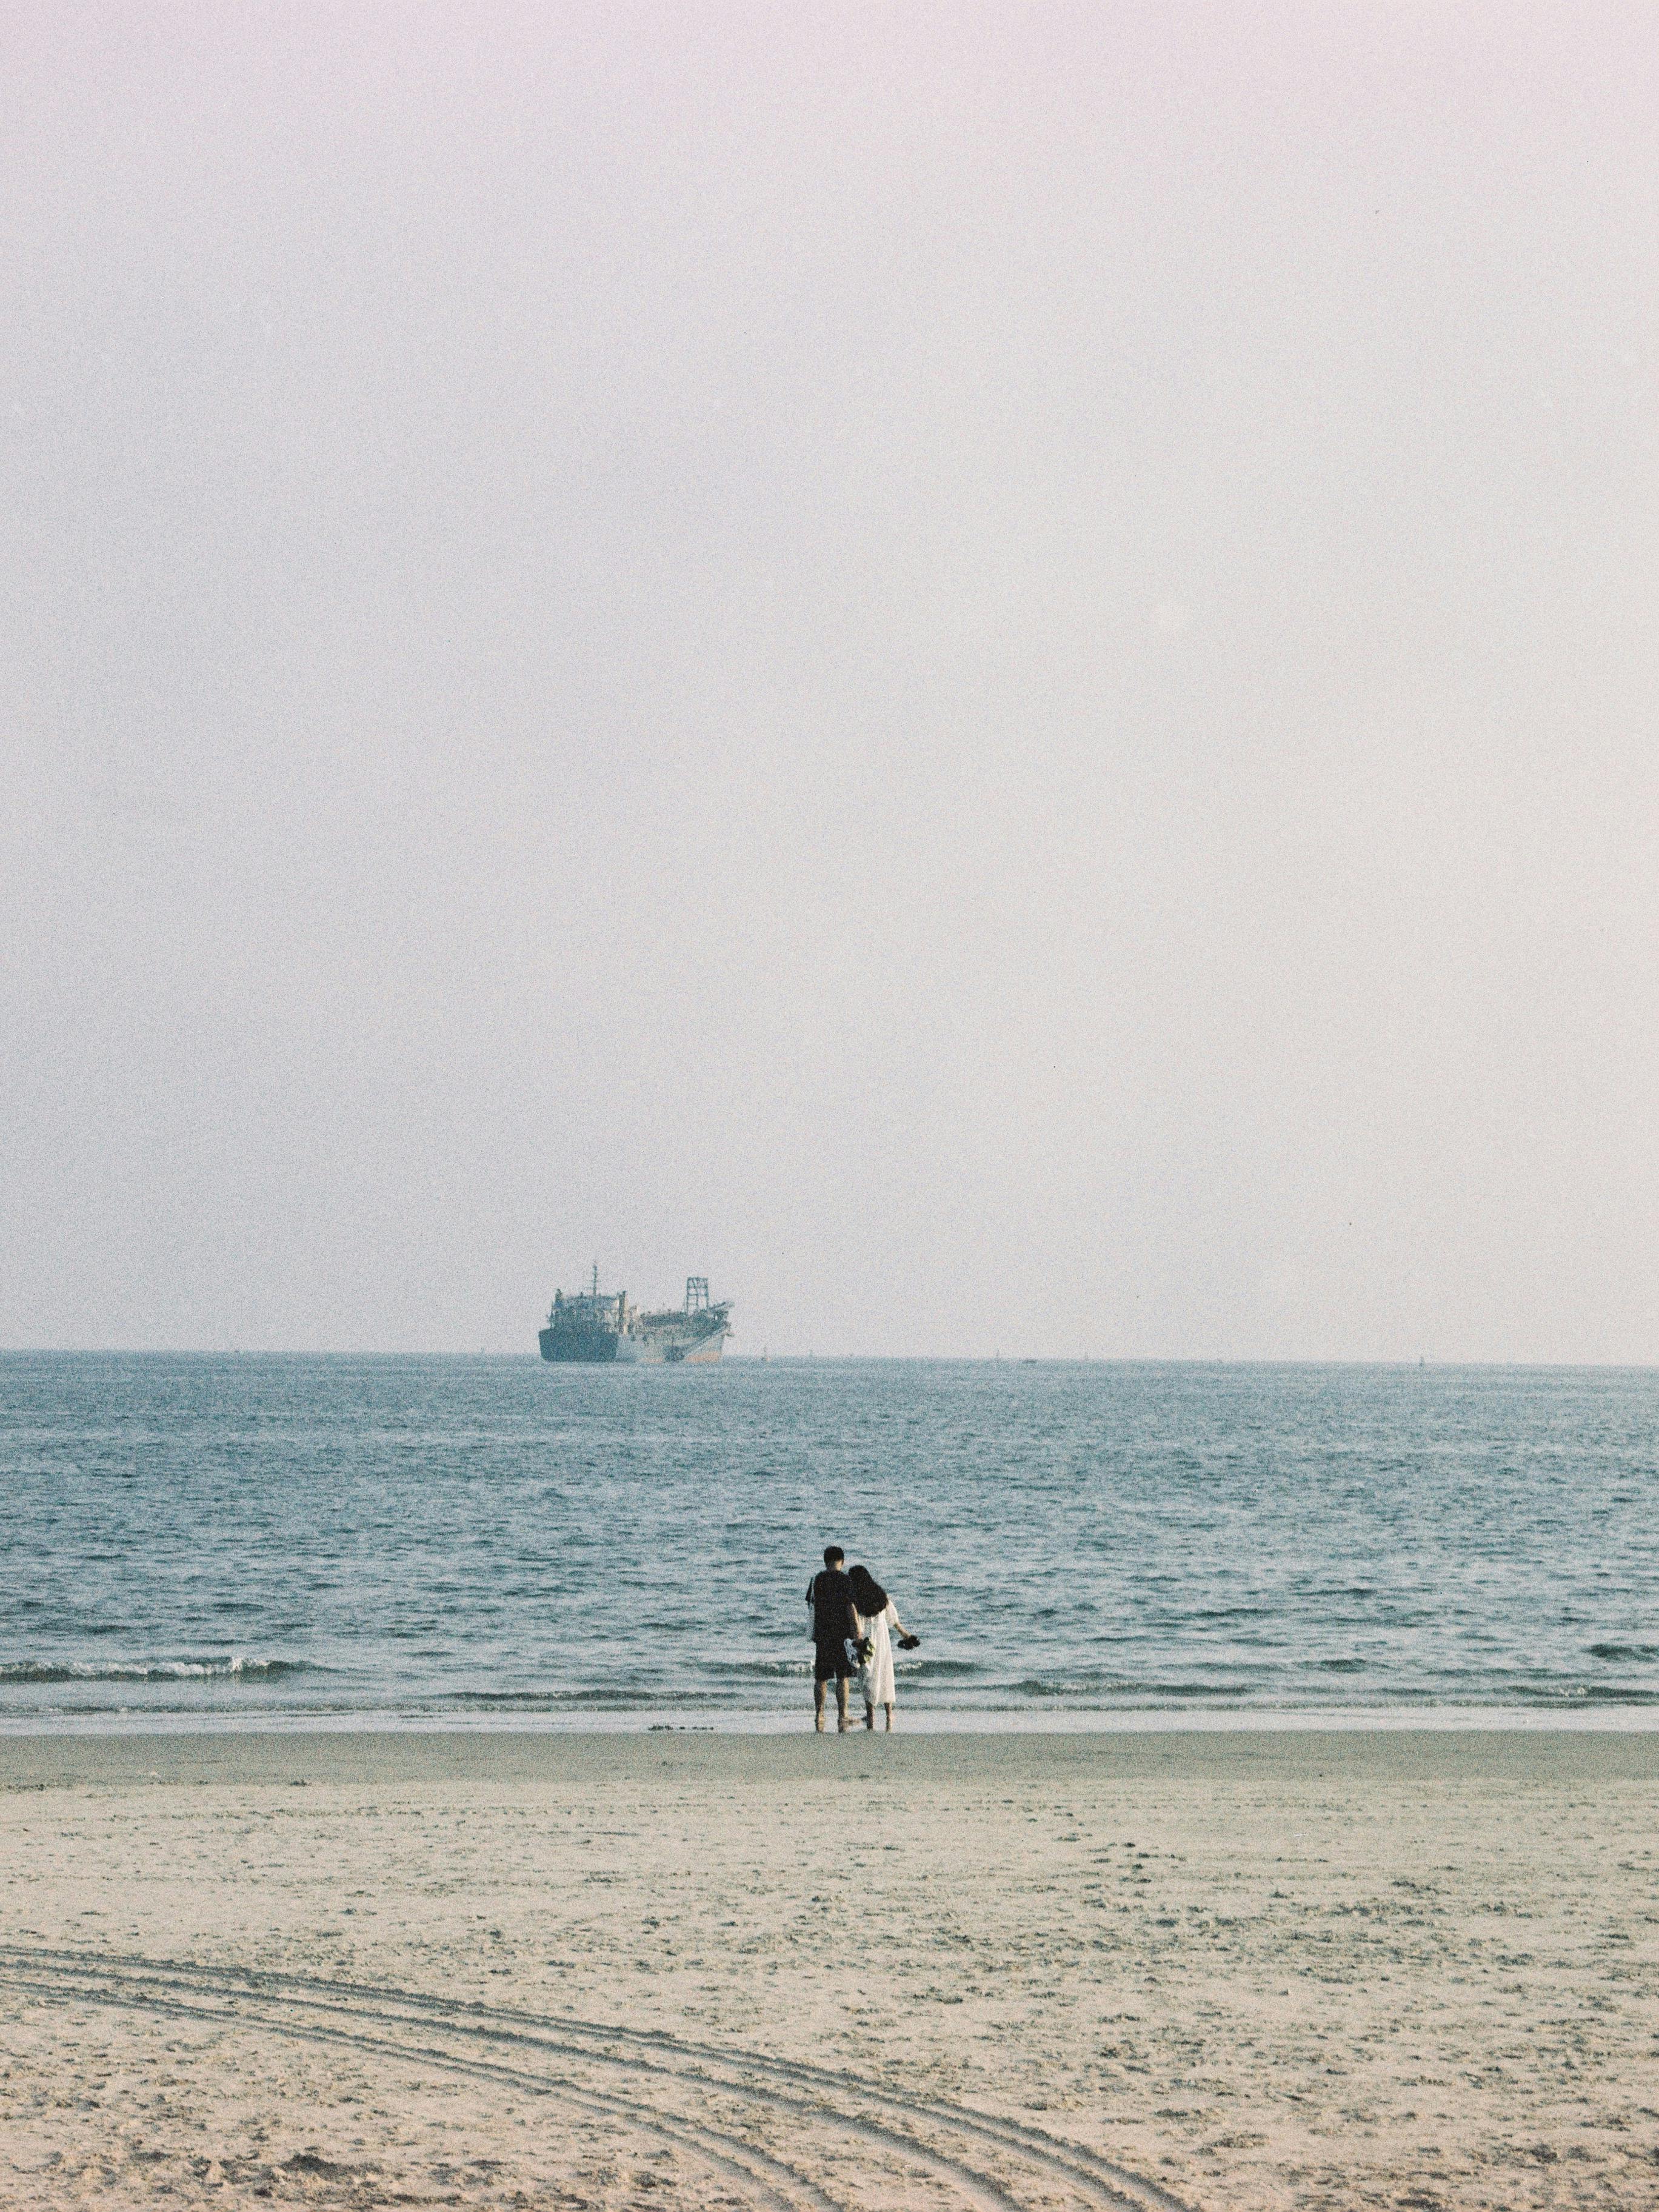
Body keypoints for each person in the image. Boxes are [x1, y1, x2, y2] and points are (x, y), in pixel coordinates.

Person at [847, 1563, 914, 1732]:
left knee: (868, 1675)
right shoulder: (881, 1595)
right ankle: (889, 1714)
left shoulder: (856, 1599)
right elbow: (894, 1621)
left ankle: (870, 1714)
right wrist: (906, 1636)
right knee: (886, 1674)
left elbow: (856, 1625)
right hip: (883, 1641)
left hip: (867, 1642)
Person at [806, 1545, 858, 1732]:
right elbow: (851, 1609)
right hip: (842, 1636)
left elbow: (811, 1606)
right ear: (842, 1562)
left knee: (821, 1677)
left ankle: (819, 1714)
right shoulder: (846, 1581)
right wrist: (857, 1634)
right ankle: (842, 1715)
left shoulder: (816, 1580)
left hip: (822, 1635)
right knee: (842, 1676)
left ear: (825, 1561)